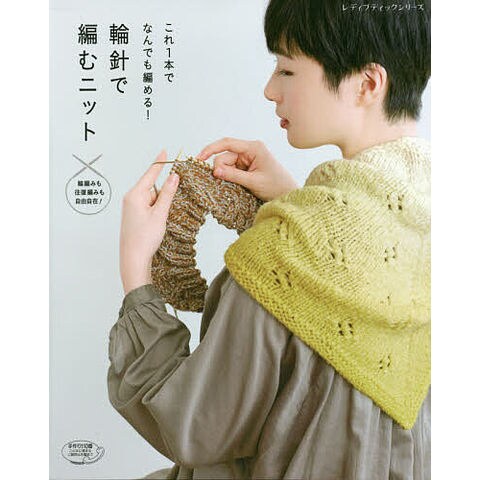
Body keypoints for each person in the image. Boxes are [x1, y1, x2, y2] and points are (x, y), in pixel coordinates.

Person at [107, 0, 431, 479]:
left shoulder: (281, 258)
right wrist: (292, 201)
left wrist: (137, 274)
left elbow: (192, 428)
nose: (269, 89)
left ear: (366, 83)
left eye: (287, 69)